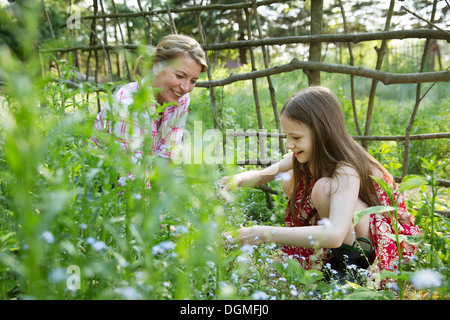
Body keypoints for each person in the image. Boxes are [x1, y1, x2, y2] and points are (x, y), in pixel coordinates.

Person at [223, 86, 420, 283]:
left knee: (323, 188)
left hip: (381, 241)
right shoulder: (305, 154)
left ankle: (354, 269)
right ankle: (336, 259)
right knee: (290, 176)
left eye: (296, 138)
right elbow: (261, 175)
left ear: (322, 133)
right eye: (287, 137)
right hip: (349, 230)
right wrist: (235, 181)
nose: (289, 145)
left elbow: (334, 233)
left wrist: (262, 233)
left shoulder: (346, 168)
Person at [90, 34, 208, 187]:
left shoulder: (180, 98)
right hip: (100, 183)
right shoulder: (128, 106)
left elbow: (169, 151)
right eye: (179, 76)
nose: (186, 87)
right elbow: (131, 177)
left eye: (193, 81)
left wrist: (159, 188)